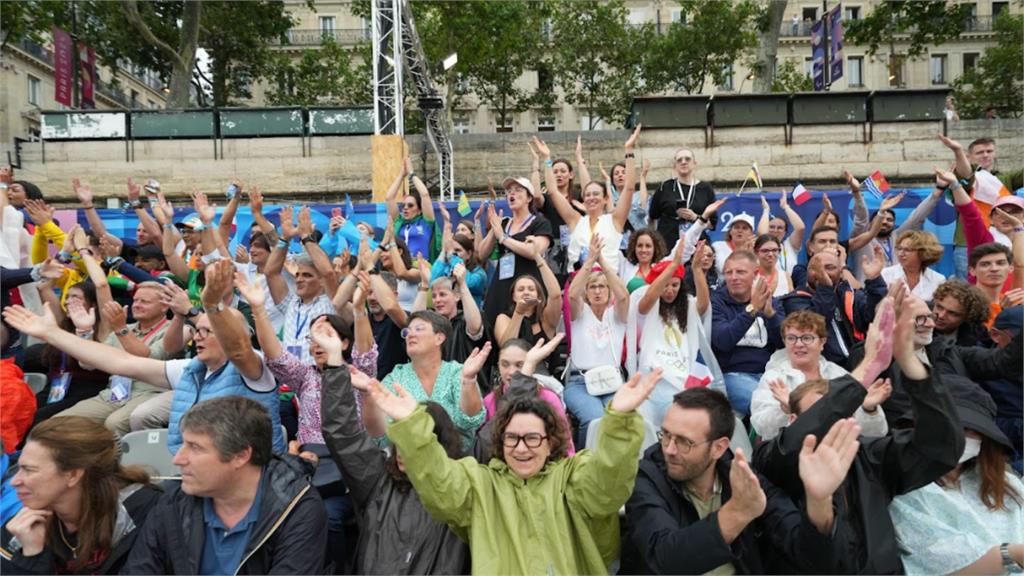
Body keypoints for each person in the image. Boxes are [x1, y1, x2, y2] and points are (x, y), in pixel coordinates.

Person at [369, 364, 663, 574]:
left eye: (532, 438)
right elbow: (439, 483)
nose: (522, 448)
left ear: (550, 443)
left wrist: (620, 421)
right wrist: (412, 428)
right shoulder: (479, 484)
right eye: (512, 438)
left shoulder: (572, 478)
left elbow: (608, 483)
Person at [753, 295, 967, 574]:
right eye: (820, 415)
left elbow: (941, 448)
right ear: (793, 420)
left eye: (836, 413)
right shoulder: (771, 463)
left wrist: (911, 366)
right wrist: (870, 365)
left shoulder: (868, 457)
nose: (830, 422)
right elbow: (793, 442)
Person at [3, 260, 287, 456]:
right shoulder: (191, 368)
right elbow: (120, 362)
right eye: (197, 330)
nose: (198, 336)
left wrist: (211, 305)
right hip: (197, 470)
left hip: (254, 475)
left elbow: (237, 349)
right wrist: (52, 334)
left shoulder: (256, 369)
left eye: (208, 331)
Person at [620, 387, 850, 575]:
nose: (669, 449)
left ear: (718, 447)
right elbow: (667, 560)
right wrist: (738, 512)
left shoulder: (742, 479)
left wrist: (818, 501)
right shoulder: (645, 478)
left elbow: (812, 559)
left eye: (684, 442)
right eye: (666, 435)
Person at [319, 326, 469, 574]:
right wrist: (335, 365)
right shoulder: (377, 480)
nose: (402, 451)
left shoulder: (462, 493)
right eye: (400, 440)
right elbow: (342, 433)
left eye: (414, 441)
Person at [122, 396, 327, 574]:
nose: (178, 459)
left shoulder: (297, 509)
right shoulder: (174, 502)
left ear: (241, 456)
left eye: (195, 447)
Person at [889, 382, 1024, 575]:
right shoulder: (905, 492)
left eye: (972, 430)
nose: (959, 438)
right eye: (951, 427)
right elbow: (937, 565)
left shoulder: (1002, 480)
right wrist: (1011, 555)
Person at [1, 417, 161, 574]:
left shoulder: (142, 515)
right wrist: (32, 555)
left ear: (73, 475)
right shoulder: (24, 523)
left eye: (29, 470)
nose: (15, 481)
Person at [751, 310, 889, 441]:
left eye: (807, 338)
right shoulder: (773, 378)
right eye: (791, 338)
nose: (798, 344)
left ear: (822, 342)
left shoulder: (839, 375)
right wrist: (784, 410)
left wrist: (868, 409)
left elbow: (876, 433)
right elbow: (761, 427)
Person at [629, 239, 720, 427]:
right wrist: (673, 265)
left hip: (683, 373)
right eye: (665, 285)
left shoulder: (686, 304)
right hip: (654, 376)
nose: (670, 291)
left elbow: (702, 305)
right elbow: (647, 301)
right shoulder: (646, 301)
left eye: (675, 285)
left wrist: (696, 270)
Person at [534, 128, 640, 272]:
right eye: (588, 195)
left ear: (605, 199)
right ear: (583, 200)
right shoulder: (576, 220)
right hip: (579, 284)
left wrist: (629, 150)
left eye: (596, 194)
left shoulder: (615, 220)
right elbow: (552, 191)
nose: (591, 198)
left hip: (606, 282)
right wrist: (547, 159)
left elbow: (629, 188)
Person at [377, 310, 487, 449]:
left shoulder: (457, 372)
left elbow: (471, 420)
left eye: (419, 329)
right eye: (407, 331)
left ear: (439, 338)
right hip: (409, 462)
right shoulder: (395, 377)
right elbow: (380, 432)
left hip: (455, 463)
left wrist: (468, 380)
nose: (410, 334)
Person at [563, 234, 630, 445]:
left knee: (618, 418)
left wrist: (602, 261)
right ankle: (586, 465)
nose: (598, 291)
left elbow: (624, 296)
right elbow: (572, 295)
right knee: (595, 419)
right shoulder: (580, 313)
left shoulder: (617, 316)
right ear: (587, 292)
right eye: (592, 287)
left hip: (612, 381)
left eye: (602, 286)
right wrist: (590, 260)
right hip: (580, 382)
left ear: (609, 290)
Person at [783, 242, 888, 368]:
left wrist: (875, 281)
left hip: (858, 364)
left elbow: (875, 315)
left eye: (829, 267)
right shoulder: (795, 300)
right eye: (815, 268)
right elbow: (814, 327)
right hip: (822, 370)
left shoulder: (849, 295)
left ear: (840, 272)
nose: (822, 272)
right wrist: (825, 287)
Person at [711, 251, 785, 416]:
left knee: (798, 399)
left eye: (741, 272)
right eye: (729, 273)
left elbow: (784, 344)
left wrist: (771, 316)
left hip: (770, 373)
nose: (733, 277)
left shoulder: (770, 300)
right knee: (770, 407)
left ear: (755, 274)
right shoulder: (716, 302)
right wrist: (751, 309)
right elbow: (723, 341)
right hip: (732, 375)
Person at [478, 175, 553, 328]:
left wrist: (504, 238)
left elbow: (534, 251)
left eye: (518, 190)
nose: (512, 194)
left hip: (528, 288)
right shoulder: (504, 223)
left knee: (525, 330)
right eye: (509, 191)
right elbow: (481, 254)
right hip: (502, 287)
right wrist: (494, 230)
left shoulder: (539, 222)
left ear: (529, 198)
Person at [493, 243, 563, 351]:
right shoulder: (503, 318)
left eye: (531, 289)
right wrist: (519, 313)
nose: (526, 292)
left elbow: (556, 295)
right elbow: (507, 347)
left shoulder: (546, 318)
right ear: (513, 296)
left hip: (543, 367)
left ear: (538, 295)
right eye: (521, 289)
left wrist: (538, 257)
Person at [650, 148, 717, 249]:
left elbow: (712, 224)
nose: (683, 162)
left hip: (696, 245)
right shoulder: (665, 187)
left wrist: (695, 217)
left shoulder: (705, 188)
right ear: (675, 166)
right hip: (667, 245)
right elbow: (652, 216)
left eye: (687, 159)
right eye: (679, 160)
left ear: (694, 163)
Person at [386, 157, 437, 261]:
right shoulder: (399, 222)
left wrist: (411, 174)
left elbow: (425, 194)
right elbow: (389, 198)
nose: (405, 208)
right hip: (400, 266)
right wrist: (401, 175)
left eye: (410, 205)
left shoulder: (426, 222)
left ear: (419, 210)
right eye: (403, 205)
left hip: (420, 267)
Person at [880, 230, 946, 300]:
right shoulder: (885, 274)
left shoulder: (938, 280)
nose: (901, 254)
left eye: (907, 250)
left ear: (923, 253)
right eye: (899, 249)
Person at [757, 189, 806, 278]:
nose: (775, 230)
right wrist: (766, 210)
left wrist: (785, 207)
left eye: (780, 228)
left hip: (790, 286)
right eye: (771, 227)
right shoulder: (762, 245)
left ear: (785, 232)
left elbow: (800, 227)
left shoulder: (789, 245)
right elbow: (762, 233)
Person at [931, 278, 992, 346]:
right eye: (939, 307)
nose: (941, 316)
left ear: (967, 317)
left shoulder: (978, 334)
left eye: (952, 313)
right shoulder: (919, 321)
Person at [619, 227, 668, 293]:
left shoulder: (662, 268)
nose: (643, 250)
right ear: (634, 248)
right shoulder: (625, 266)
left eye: (648, 246)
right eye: (640, 246)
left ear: (655, 248)